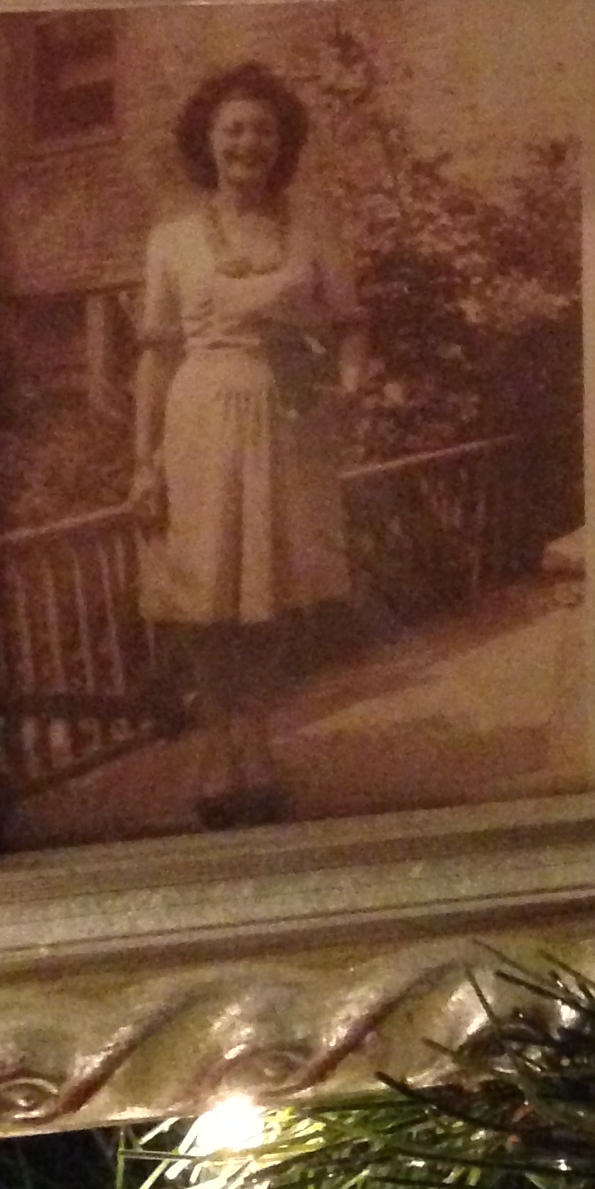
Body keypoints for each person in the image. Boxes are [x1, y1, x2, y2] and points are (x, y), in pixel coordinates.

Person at [131, 63, 368, 825]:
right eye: (233, 128)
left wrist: (347, 387)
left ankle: (258, 742)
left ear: (281, 142)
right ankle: (215, 747)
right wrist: (143, 462)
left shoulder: (312, 231)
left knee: (269, 597)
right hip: (198, 420)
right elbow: (156, 357)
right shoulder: (172, 241)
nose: (248, 143)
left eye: (263, 129)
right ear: (208, 140)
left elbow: (350, 325)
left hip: (286, 422)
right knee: (205, 598)